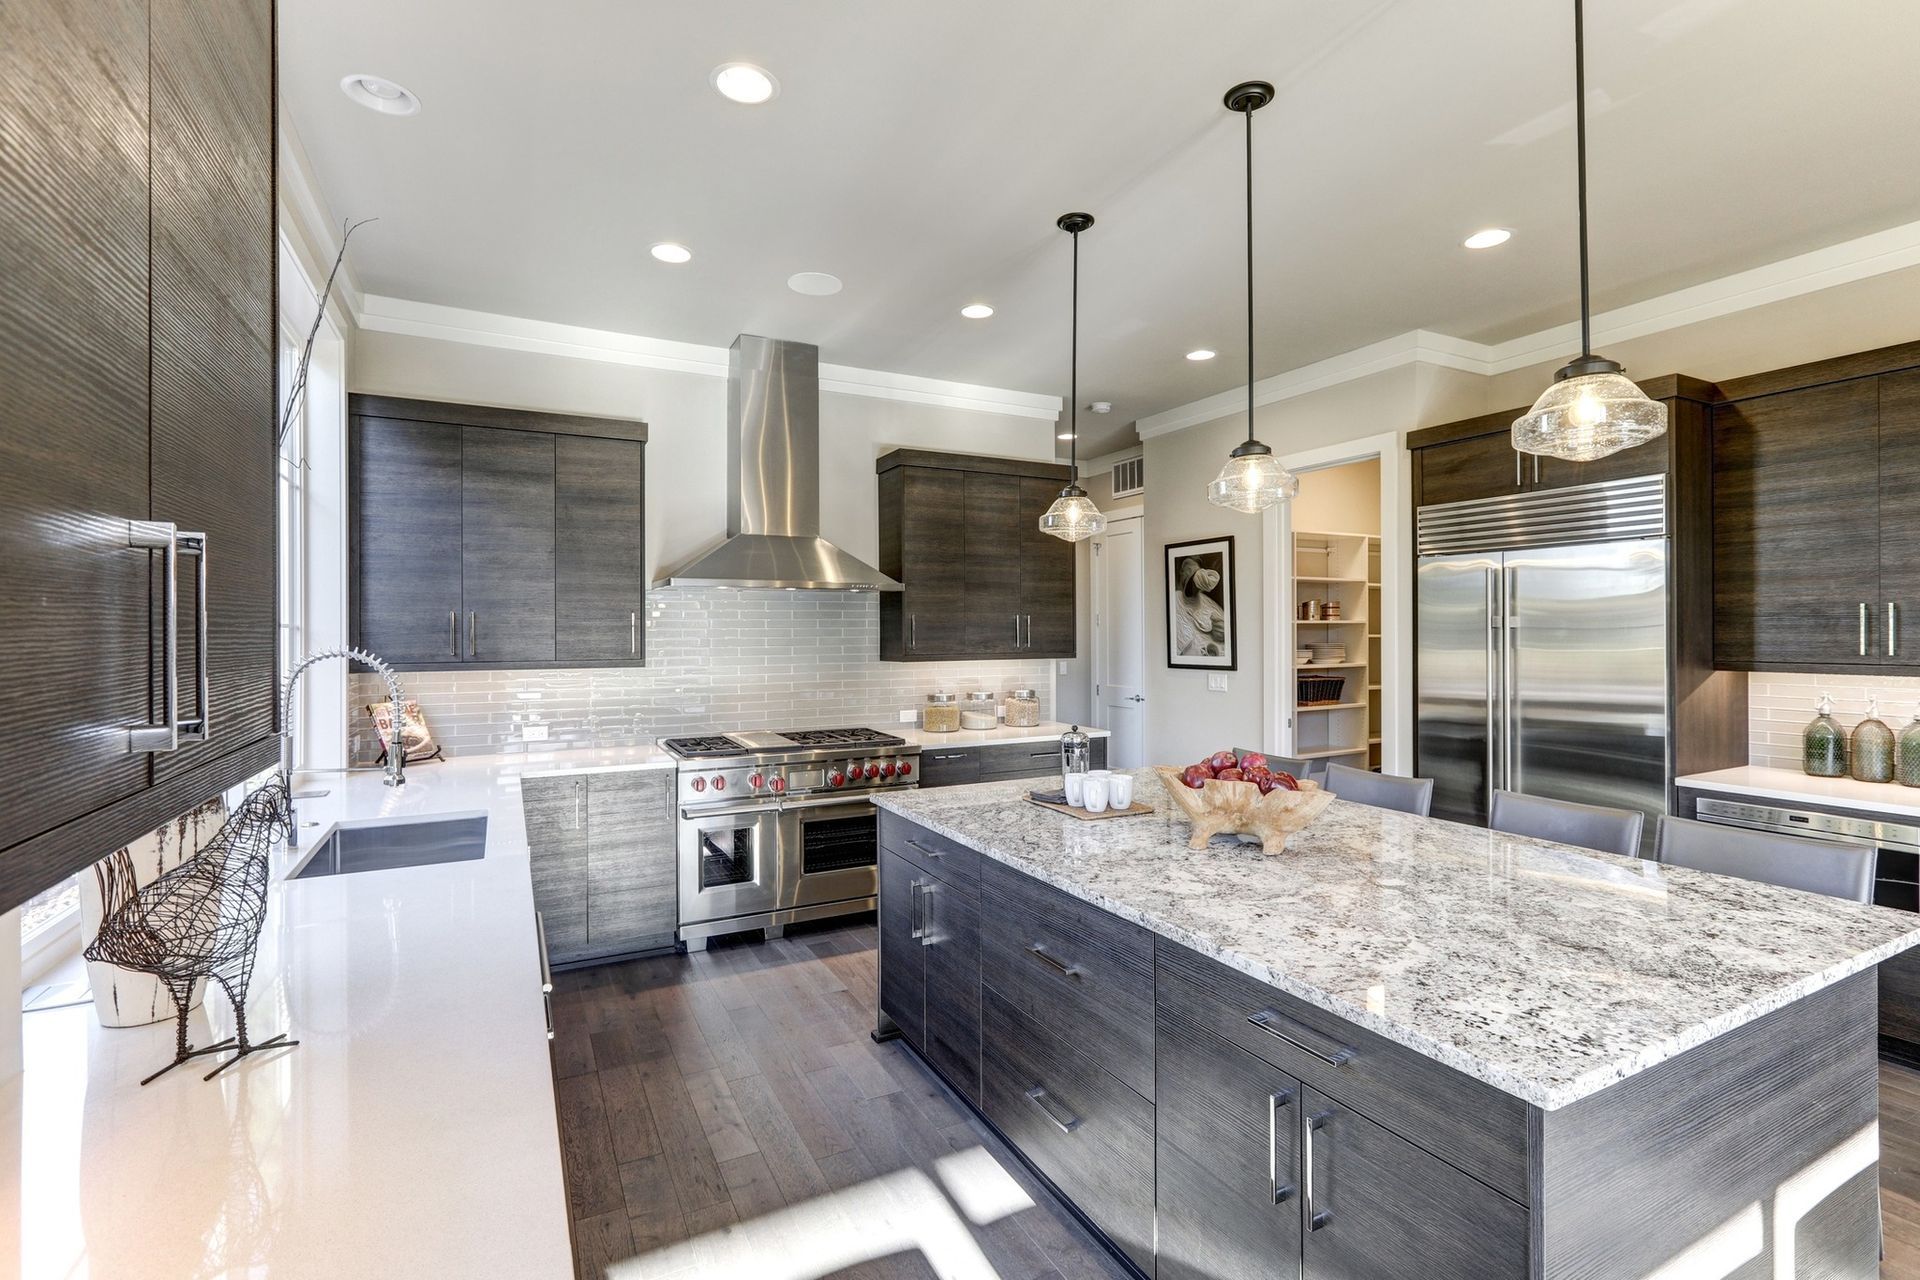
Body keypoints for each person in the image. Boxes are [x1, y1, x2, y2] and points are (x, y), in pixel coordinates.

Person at [1175, 557, 1226, 657]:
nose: (1190, 573)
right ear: (1181, 572)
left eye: (1194, 569)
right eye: (1187, 569)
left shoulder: (1206, 602)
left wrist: (1223, 630)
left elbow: (1225, 627)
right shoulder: (1175, 600)